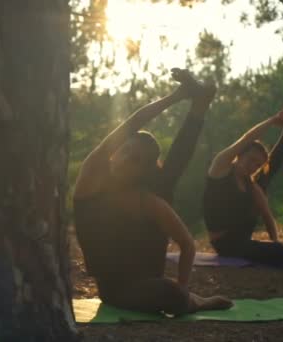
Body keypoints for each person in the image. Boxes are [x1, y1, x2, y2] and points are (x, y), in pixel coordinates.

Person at [73, 68, 232, 315]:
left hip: (150, 285)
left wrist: (181, 289)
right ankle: (191, 300)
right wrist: (176, 96)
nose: (125, 160)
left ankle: (200, 106)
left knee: (166, 181)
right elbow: (130, 125)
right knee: (167, 179)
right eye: (125, 152)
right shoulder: (91, 180)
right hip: (115, 290)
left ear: (143, 171)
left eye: (136, 160)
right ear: (115, 151)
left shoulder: (148, 199)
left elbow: (187, 244)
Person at [203, 109, 283, 267]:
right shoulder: (220, 168)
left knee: (280, 250)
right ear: (240, 155)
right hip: (224, 243)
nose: (253, 166)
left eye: (258, 165)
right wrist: (272, 121)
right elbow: (247, 139)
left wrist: (275, 242)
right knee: (280, 252)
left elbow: (268, 217)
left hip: (241, 241)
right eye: (251, 160)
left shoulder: (253, 187)